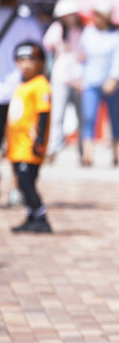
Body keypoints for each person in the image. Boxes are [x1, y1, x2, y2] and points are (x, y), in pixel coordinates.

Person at [0, 0, 42, 204]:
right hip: (20, 93)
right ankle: (18, 189)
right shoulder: (28, 22)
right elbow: (40, 57)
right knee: (19, 145)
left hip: (15, 93)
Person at [7, 42, 52, 233]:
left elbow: (44, 114)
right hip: (17, 145)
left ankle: (41, 217)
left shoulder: (41, 85)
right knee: (21, 183)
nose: (26, 64)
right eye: (22, 60)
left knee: (27, 182)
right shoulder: (21, 83)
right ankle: (30, 216)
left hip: (30, 144)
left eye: (31, 60)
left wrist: (40, 140)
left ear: (40, 62)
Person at [79, 1, 119, 167]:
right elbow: (82, 58)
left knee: (114, 118)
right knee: (89, 117)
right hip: (91, 82)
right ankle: (87, 153)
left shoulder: (116, 37)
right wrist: (80, 77)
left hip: (110, 83)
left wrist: (114, 78)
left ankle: (115, 152)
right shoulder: (87, 34)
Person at [43, 0, 83, 159]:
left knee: (82, 117)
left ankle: (83, 151)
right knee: (57, 115)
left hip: (78, 77)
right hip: (60, 76)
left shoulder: (81, 29)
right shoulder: (57, 29)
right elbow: (46, 45)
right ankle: (53, 148)